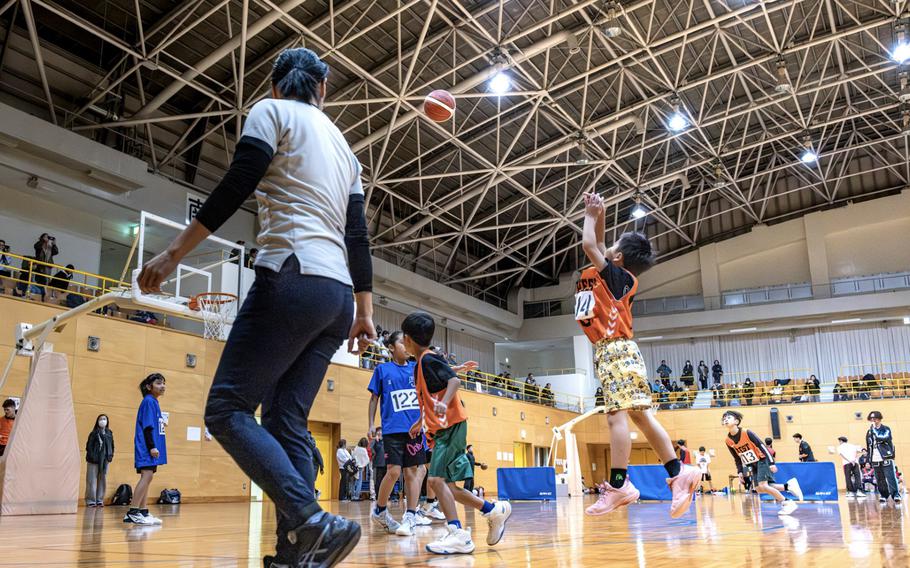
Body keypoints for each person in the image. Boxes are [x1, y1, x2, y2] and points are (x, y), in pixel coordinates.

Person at [137, 48, 372, 568]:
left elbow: (237, 184)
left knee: (226, 409)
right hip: (335, 299)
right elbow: (357, 235)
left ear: (274, 86)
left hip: (291, 276)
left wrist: (175, 253)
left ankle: (310, 520)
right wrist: (364, 311)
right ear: (323, 89)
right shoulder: (347, 152)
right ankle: (294, 549)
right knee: (287, 416)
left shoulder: (272, 112)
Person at [576, 192, 701, 519]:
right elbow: (602, 246)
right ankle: (678, 472)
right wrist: (600, 212)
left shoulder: (616, 276)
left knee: (616, 417)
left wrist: (589, 216)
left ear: (617, 259)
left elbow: (591, 245)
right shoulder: (617, 274)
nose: (609, 248)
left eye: (614, 247)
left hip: (613, 349)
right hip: (619, 350)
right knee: (642, 417)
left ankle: (620, 485)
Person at [402, 311, 511, 555]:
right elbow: (437, 386)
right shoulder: (424, 363)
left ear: (408, 340)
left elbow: (453, 382)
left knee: (435, 481)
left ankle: (458, 534)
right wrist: (420, 420)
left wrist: (445, 401)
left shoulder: (427, 360)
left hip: (451, 426)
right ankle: (493, 511)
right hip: (442, 429)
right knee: (447, 486)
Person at [367, 330, 431, 536]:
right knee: (394, 471)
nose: (407, 346)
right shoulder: (382, 369)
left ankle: (410, 516)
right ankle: (380, 511)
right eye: (402, 343)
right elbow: (374, 399)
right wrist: (370, 424)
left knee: (413, 472)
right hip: (392, 429)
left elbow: (438, 370)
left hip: (415, 430)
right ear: (392, 348)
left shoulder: (416, 368)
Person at [722, 410, 802, 515]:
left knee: (763, 485)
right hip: (752, 464)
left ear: (736, 421)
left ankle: (787, 503)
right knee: (759, 488)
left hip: (762, 459)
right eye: (724, 418)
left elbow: (762, 446)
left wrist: (772, 462)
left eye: (728, 417)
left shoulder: (746, 432)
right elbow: (737, 458)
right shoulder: (728, 440)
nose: (725, 420)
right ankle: (788, 487)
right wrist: (740, 472)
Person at [125, 373, 167, 525]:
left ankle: (142, 511)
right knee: (147, 476)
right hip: (146, 447)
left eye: (163, 383)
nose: (162, 386)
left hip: (150, 447)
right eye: (158, 383)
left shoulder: (153, 402)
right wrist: (152, 447)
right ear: (149, 387)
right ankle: (133, 512)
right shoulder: (149, 401)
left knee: (148, 477)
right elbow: (148, 427)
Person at [866, 411, 900, 503]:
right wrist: (868, 460)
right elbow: (869, 446)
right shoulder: (869, 431)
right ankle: (884, 495)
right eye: (871, 419)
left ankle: (896, 495)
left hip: (886, 456)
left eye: (875, 419)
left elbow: (885, 437)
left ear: (879, 419)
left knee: (891, 477)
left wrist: (874, 432)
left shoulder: (886, 429)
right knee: (879, 479)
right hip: (875, 458)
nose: (873, 421)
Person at [85, 414, 115, 507]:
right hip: (93, 460)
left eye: (104, 419)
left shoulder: (109, 433)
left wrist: (110, 455)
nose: (103, 420)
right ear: (97, 421)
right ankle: (91, 501)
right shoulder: (93, 433)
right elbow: (88, 446)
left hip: (105, 460)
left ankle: (99, 500)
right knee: (91, 480)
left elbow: (112, 446)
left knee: (102, 480)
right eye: (101, 419)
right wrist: (92, 456)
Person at [305, 430, 324, 498]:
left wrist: (322, 468)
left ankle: (312, 496)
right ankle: (316, 492)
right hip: (307, 467)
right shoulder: (305, 449)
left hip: (313, 468)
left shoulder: (315, 449)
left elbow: (320, 459)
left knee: (310, 482)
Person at [369, 428, 385, 502]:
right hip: (378, 464)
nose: (380, 432)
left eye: (381, 431)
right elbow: (370, 448)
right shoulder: (374, 441)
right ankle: (378, 496)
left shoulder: (385, 440)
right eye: (378, 431)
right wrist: (375, 440)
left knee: (385, 480)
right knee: (378, 481)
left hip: (386, 463)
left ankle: (388, 496)